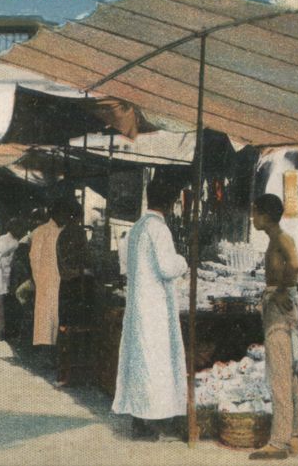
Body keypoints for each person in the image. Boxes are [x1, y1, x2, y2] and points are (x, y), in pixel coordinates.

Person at [112, 179, 188, 441]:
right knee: (155, 364)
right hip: (154, 308)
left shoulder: (136, 228)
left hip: (138, 306)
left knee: (140, 362)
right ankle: (152, 422)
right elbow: (167, 267)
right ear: (170, 202)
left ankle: (139, 419)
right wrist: (184, 262)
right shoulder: (158, 229)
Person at [249, 193, 298, 460]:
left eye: (255, 212)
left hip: (279, 309)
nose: (252, 217)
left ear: (265, 216)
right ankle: (294, 432)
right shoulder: (275, 239)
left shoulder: (282, 238)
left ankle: (279, 440)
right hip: (274, 305)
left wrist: (282, 290)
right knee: (287, 373)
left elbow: (294, 265)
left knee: (280, 375)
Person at [55, 199, 93, 387]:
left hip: (65, 286)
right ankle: (74, 376)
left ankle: (63, 374)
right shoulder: (78, 233)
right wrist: (83, 270)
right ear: (78, 216)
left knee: (65, 329)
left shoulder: (62, 234)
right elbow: (85, 257)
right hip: (77, 287)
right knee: (76, 330)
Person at [30, 201, 64, 347]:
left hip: (60, 279)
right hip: (45, 280)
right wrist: (40, 279)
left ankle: (55, 349)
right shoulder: (41, 231)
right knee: (45, 319)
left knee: (56, 316)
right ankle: (45, 351)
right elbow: (34, 257)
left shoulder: (64, 231)